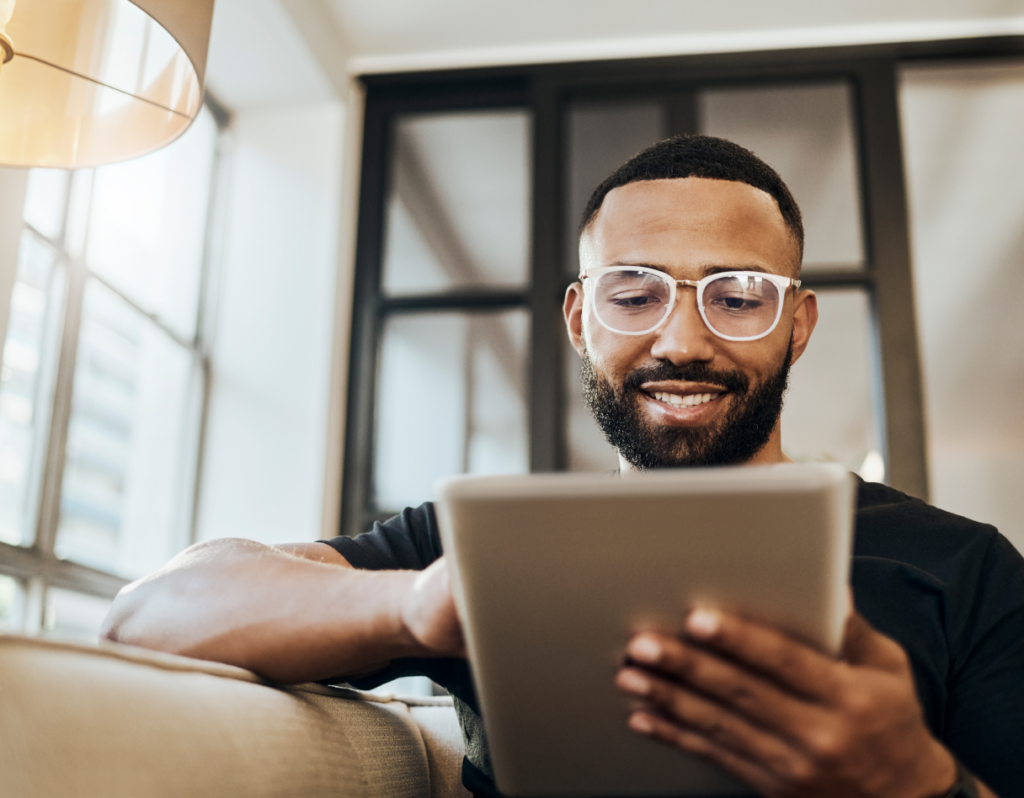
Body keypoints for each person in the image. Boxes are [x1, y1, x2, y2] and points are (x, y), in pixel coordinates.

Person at [102, 135, 1024, 798]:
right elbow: (152, 614)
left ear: (798, 324)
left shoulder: (966, 566)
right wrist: (417, 603)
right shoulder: (479, 549)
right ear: (582, 321)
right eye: (636, 293)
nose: (681, 339)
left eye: (738, 297)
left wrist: (914, 783)